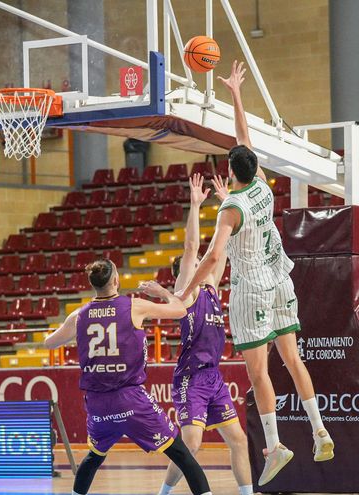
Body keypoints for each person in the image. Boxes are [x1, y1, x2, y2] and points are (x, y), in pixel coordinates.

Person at [175, 60, 334, 486]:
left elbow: (211, 259)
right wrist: (236, 94)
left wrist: (183, 293)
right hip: (282, 280)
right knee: (293, 359)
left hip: (253, 292)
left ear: (230, 172)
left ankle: (275, 444)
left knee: (259, 372)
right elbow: (245, 140)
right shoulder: (262, 184)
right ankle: (320, 429)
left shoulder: (231, 209)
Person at [44, 260, 212, 495]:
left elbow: (49, 343)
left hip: (98, 403)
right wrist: (163, 292)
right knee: (180, 453)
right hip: (131, 398)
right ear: (115, 280)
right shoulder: (134, 306)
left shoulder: (79, 315)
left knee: (94, 456)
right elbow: (180, 310)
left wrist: (74, 327)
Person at [154, 173, 252, 495]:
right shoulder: (186, 290)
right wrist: (195, 205)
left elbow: (219, 249)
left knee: (238, 440)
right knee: (192, 444)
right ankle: (164, 493)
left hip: (214, 377)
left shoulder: (210, 286)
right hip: (191, 377)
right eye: (194, 263)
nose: (201, 262)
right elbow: (193, 245)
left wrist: (228, 202)